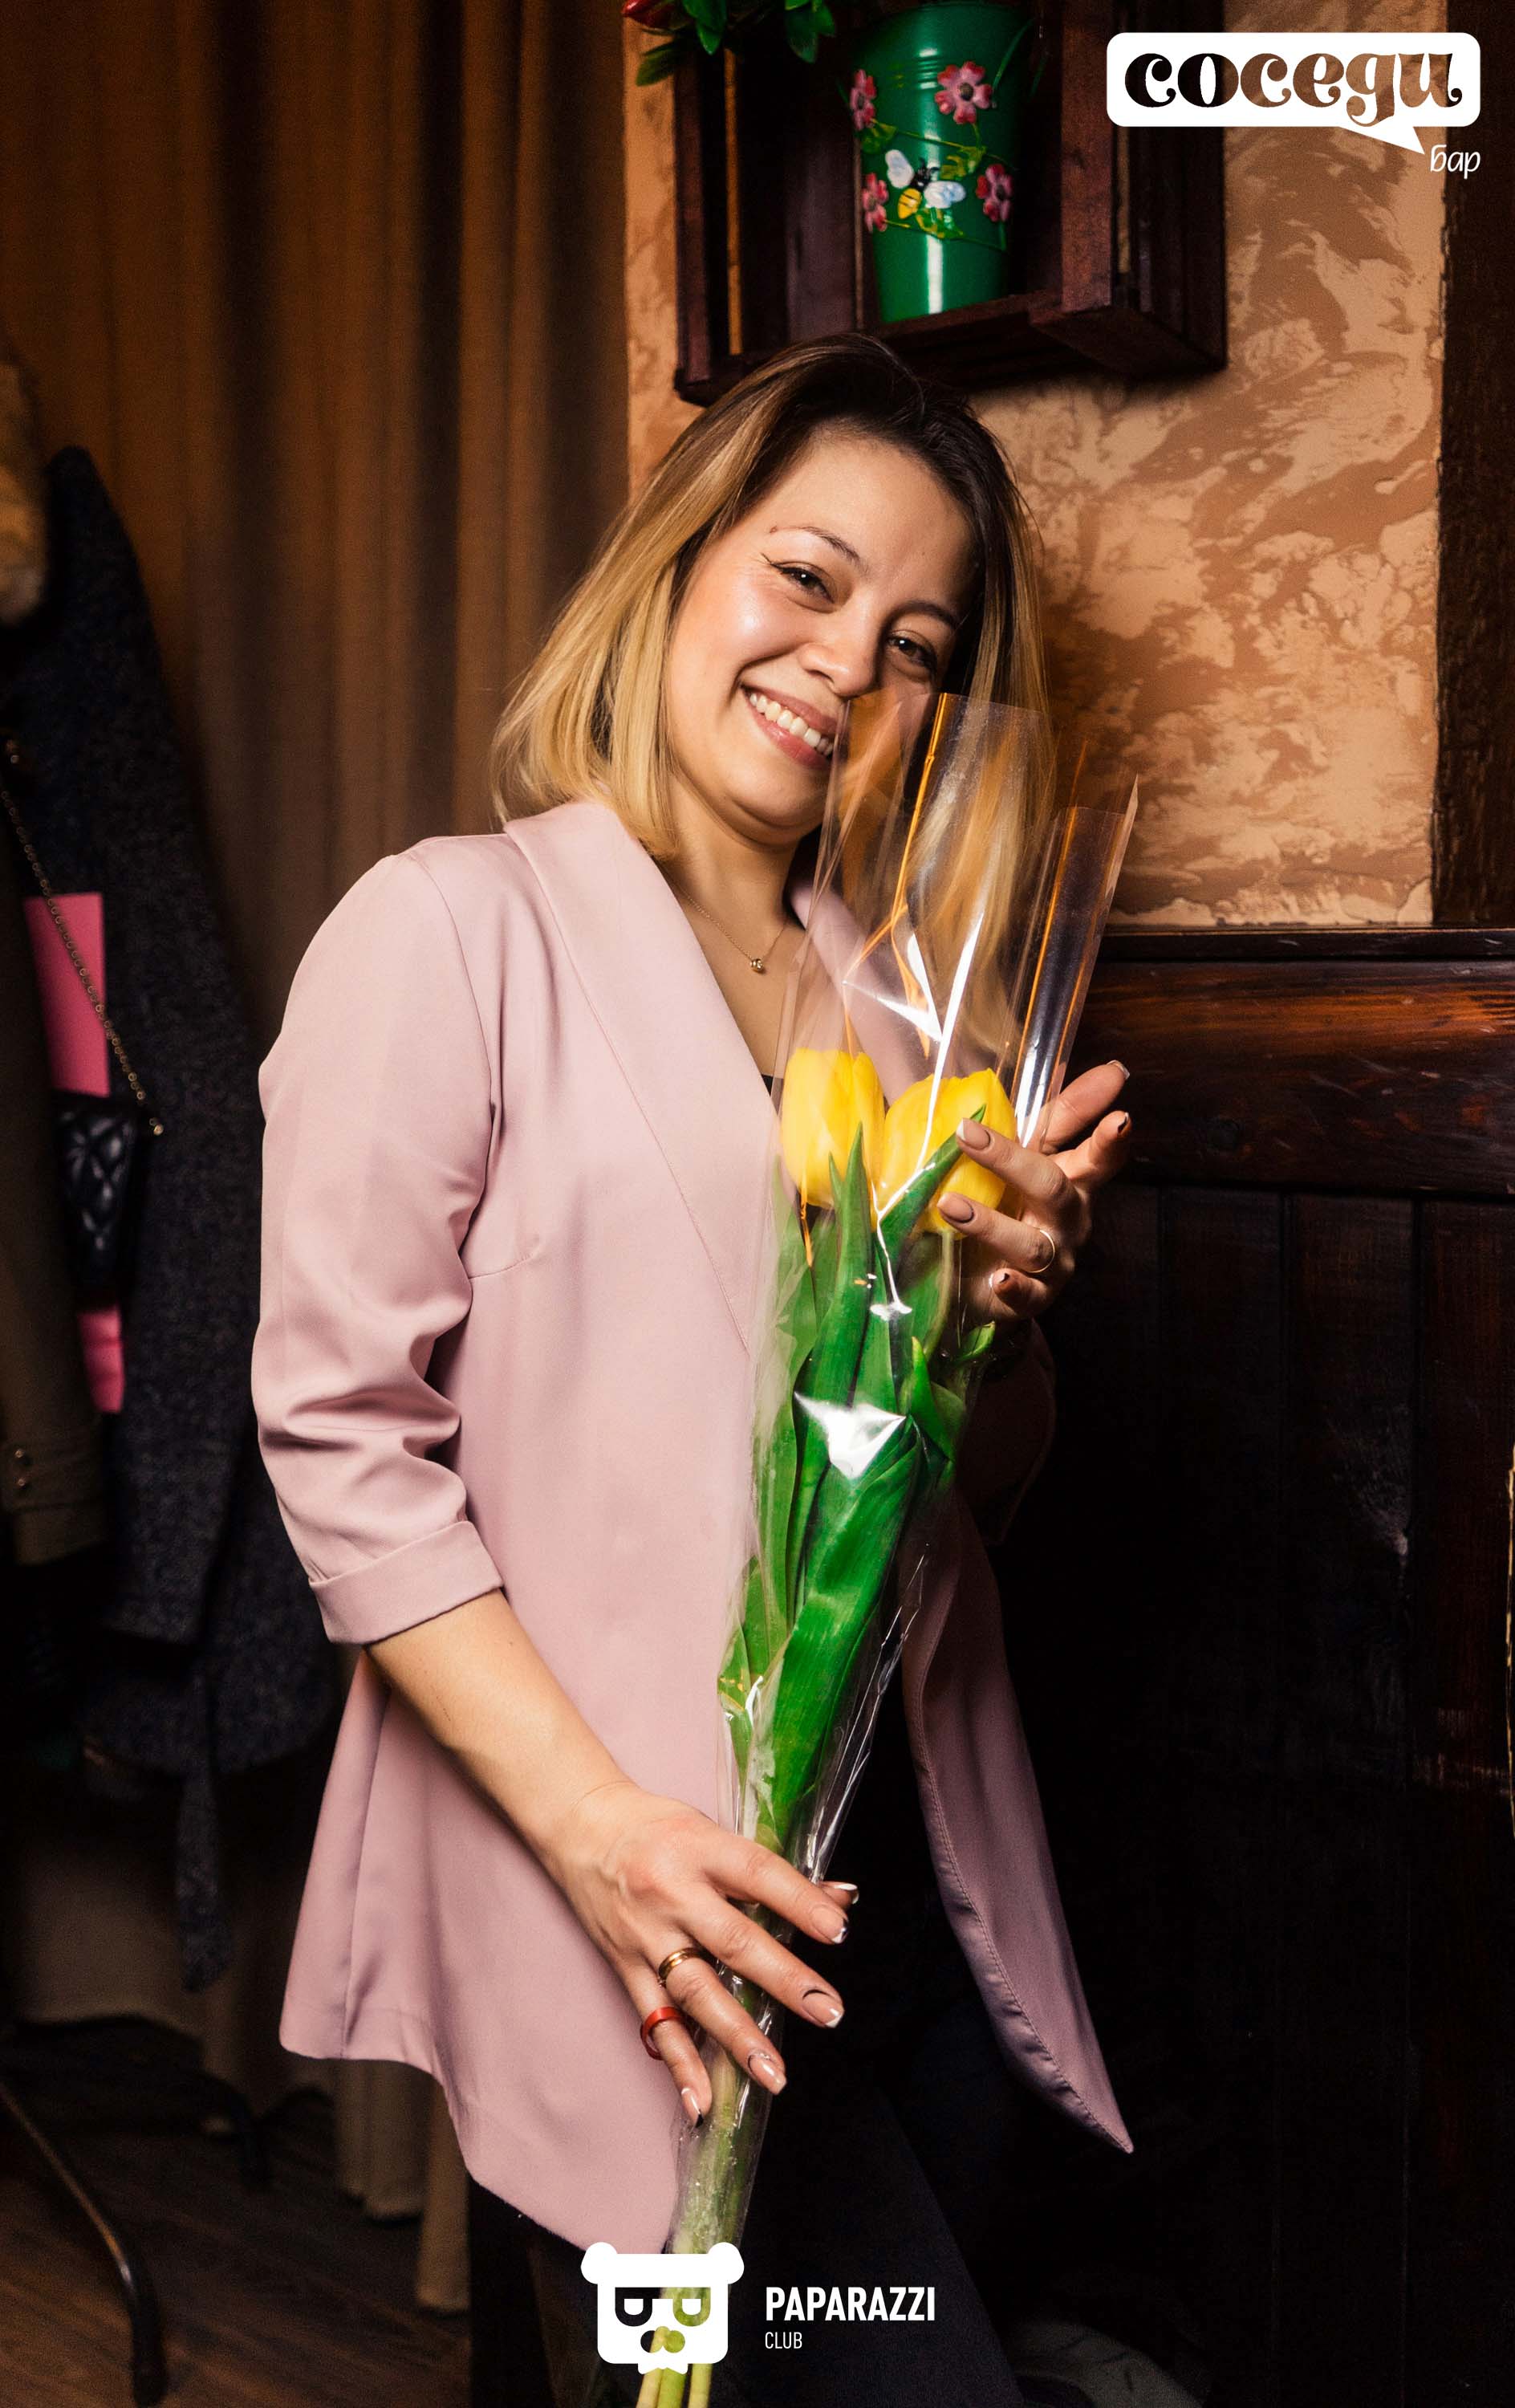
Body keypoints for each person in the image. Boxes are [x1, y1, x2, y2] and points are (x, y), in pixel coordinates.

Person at [251, 333, 1134, 2407]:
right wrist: (600, 1837)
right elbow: (341, 1447)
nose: (847, 664)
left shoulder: (914, 1020)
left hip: (913, 1888)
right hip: (631, 1900)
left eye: (916, 647)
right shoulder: (448, 931)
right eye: (806, 577)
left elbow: (969, 1488)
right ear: (679, 562)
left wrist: (995, 1327)